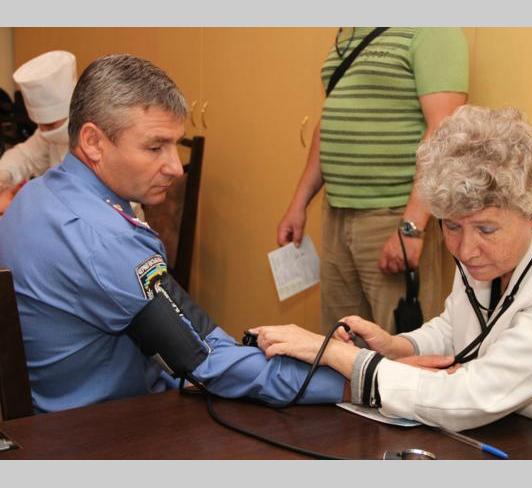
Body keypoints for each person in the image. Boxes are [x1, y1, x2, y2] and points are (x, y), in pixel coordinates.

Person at [252, 105, 532, 459]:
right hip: (529, 433)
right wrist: (400, 346)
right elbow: (461, 325)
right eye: (451, 227)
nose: (465, 249)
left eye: (486, 229)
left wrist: (334, 355)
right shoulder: (494, 251)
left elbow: (474, 397)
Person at [0, 53, 345, 414]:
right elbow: (206, 363)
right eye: (155, 147)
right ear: (93, 142)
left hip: (49, 412)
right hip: (107, 425)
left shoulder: (32, 197)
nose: (176, 168)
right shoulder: (106, 240)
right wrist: (354, 378)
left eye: (174, 146)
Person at [277, 28, 468, 333]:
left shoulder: (432, 28)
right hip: (337, 214)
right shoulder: (350, 33)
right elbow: (329, 123)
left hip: (393, 216)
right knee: (340, 342)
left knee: (401, 348)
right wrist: (298, 204)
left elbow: (445, 130)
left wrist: (411, 227)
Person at [0, 50, 76, 215]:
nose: (44, 131)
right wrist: (3, 175)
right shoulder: (48, 134)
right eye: (39, 124)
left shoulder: (98, 135)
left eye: (49, 125)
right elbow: (25, 156)